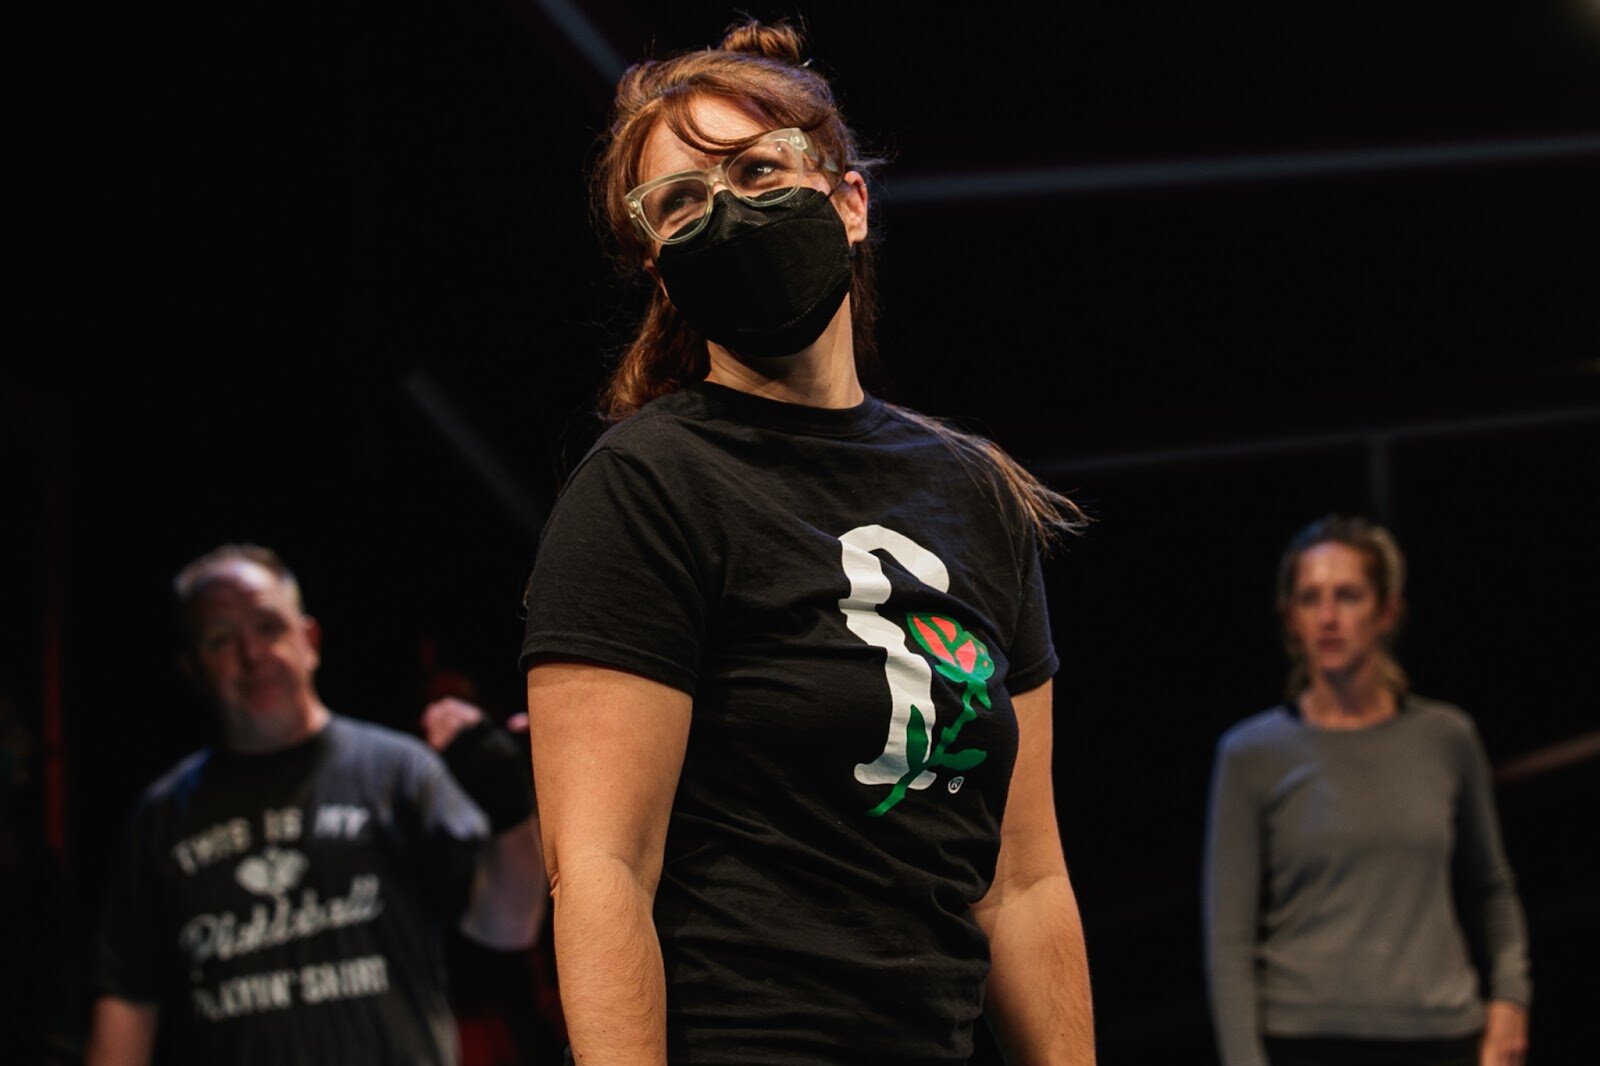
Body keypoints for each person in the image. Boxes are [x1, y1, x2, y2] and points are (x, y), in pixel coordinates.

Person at [519, 16, 1095, 1066]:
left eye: (754, 170)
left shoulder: (970, 492)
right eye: (683, 201)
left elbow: (1022, 879)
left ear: (849, 199)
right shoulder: (649, 487)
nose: (727, 213)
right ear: (661, 270)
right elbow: (602, 869)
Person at [85, 543, 545, 1066]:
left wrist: (509, 811)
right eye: (220, 641)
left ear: (310, 641)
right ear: (192, 669)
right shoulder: (161, 819)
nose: (252, 654)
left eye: (267, 627)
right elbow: (125, 1008)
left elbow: (509, 923)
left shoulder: (399, 771)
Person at [1202, 515, 1533, 1066]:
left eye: (1348, 596)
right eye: (1311, 598)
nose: (1328, 618)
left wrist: (1511, 1002)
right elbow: (1227, 936)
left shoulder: (1446, 738)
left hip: (1441, 1033)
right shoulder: (1251, 754)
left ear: (1387, 611)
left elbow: (1491, 887)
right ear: (1291, 618)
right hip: (1306, 1039)